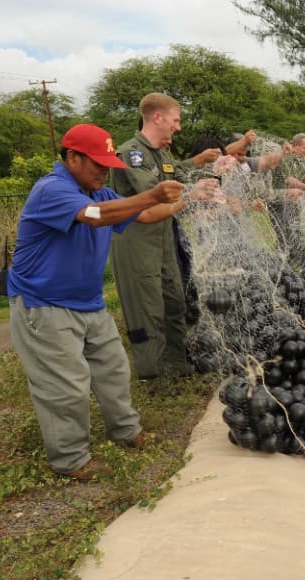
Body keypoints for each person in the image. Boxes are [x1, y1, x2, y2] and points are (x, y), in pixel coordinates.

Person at [7, 123, 200, 480]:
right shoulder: (52, 189)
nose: (104, 170)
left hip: (88, 302)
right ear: (72, 158)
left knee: (113, 369)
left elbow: (143, 215)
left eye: (107, 162)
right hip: (44, 304)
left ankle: (126, 430)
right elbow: (94, 219)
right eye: (96, 163)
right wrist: (152, 194)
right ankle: (71, 459)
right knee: (65, 385)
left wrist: (188, 198)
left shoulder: (102, 194)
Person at [109, 92, 203, 380]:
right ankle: (154, 374)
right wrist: (191, 196)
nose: (178, 127)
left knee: (174, 299)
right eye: (175, 120)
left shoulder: (161, 154)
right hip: (138, 241)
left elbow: (178, 179)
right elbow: (155, 196)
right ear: (158, 117)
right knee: (148, 307)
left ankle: (178, 363)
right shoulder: (131, 154)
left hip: (162, 236)